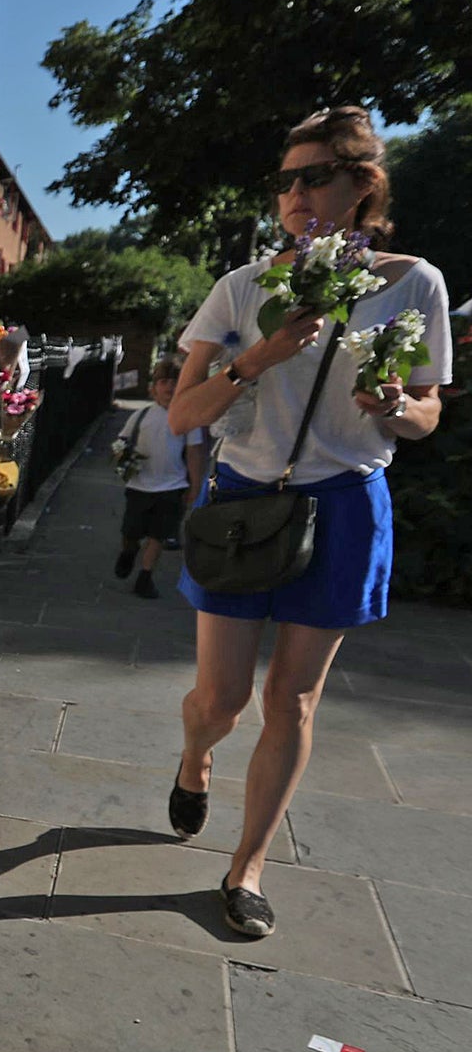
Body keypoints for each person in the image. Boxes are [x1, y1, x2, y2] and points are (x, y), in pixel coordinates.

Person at [168, 105, 451, 938]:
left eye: (314, 175)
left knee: (290, 699)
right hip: (244, 503)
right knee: (220, 699)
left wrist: (399, 406)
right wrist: (253, 361)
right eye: (285, 180)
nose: (294, 193)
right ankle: (196, 756)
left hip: (344, 502)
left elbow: (430, 411)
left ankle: (247, 864)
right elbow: (185, 412)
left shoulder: (413, 283)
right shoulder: (244, 286)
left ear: (362, 184)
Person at [113, 358, 206, 599]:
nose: (169, 387)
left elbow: (195, 453)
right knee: (130, 532)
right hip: (139, 485)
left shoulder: (187, 418)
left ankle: (145, 577)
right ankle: (128, 551)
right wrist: (122, 459)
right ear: (153, 388)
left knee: (159, 535)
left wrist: (195, 485)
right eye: (164, 382)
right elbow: (121, 443)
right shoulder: (141, 416)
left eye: (175, 382)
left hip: (172, 486)